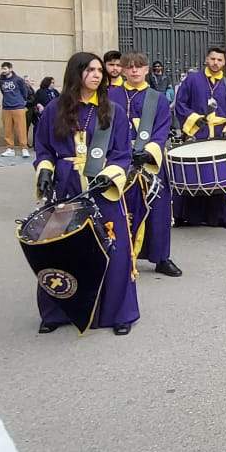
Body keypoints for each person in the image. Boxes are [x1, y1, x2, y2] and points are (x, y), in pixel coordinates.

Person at [32, 52, 140, 335]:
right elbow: (43, 148)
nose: (97, 75)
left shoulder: (112, 110)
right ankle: (56, 312)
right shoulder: (55, 109)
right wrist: (44, 170)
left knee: (115, 251)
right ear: (75, 73)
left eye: (99, 70)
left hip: (103, 188)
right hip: (66, 187)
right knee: (59, 249)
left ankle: (119, 314)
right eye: (90, 70)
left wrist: (109, 176)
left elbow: (122, 153)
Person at [111, 52, 180, 278]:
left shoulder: (157, 98)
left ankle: (161, 257)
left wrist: (150, 152)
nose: (134, 71)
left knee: (158, 209)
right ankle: (118, 256)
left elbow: (162, 129)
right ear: (122, 70)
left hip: (150, 161)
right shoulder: (111, 96)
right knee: (120, 209)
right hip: (118, 159)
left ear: (146, 69)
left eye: (139, 67)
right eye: (129, 67)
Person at [170, 47, 226, 229]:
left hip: (222, 134)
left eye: (219, 60)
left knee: (225, 174)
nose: (215, 63)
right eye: (212, 59)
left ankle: (224, 216)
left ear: (224, 63)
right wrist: (195, 119)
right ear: (206, 59)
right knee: (191, 173)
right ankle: (184, 216)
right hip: (197, 131)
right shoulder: (192, 79)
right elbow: (180, 103)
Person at [0, 63, 32, 157]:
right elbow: (3, 91)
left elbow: (24, 92)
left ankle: (24, 148)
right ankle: (9, 148)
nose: (3, 70)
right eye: (2, 68)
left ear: (10, 69)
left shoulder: (18, 79)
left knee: (21, 129)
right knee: (8, 129)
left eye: (5, 68)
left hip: (18, 107)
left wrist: (22, 102)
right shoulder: (1, 80)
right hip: (6, 107)